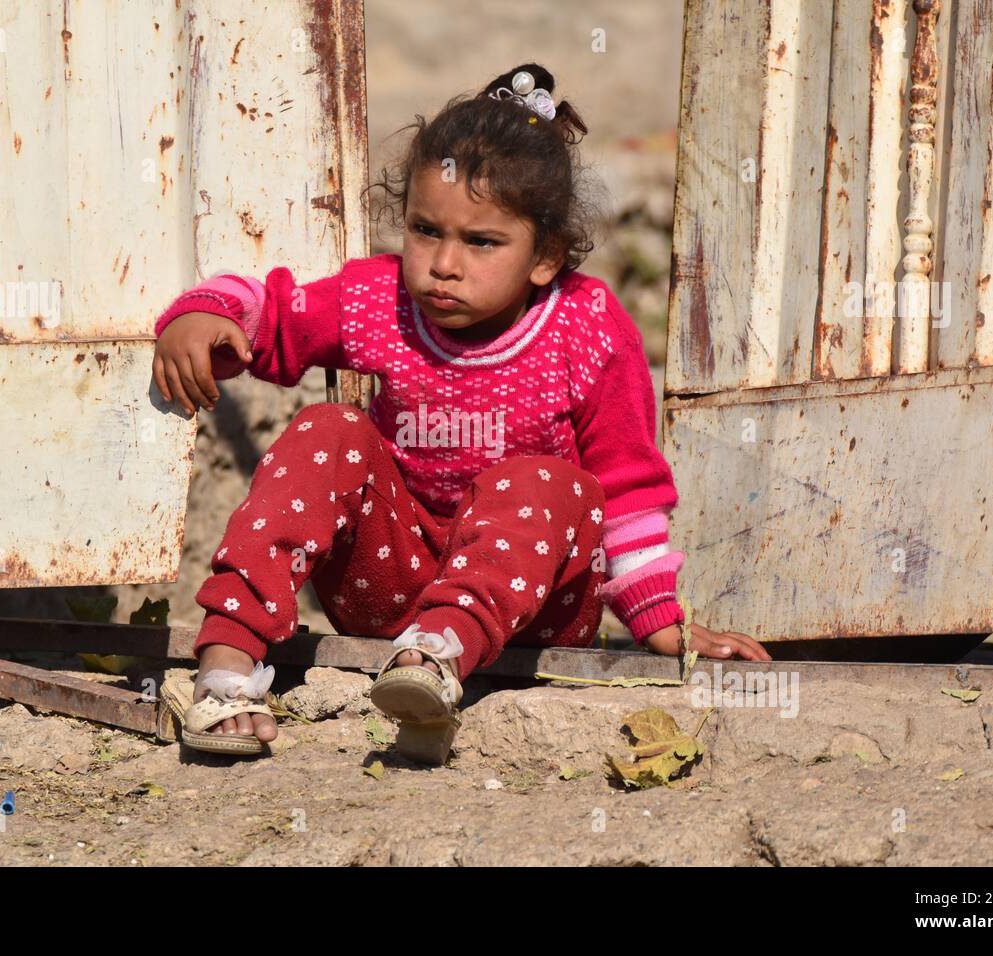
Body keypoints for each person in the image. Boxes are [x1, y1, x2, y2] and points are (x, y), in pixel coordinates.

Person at [152, 62, 770, 765]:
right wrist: (206, 313)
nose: (443, 264)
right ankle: (227, 665)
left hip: (532, 614)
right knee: (331, 430)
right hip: (391, 592)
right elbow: (277, 315)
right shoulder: (378, 301)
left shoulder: (588, 325)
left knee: (548, 480)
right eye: (424, 230)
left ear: (546, 256)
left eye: (481, 242)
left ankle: (436, 658)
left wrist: (664, 626)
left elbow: (627, 491)